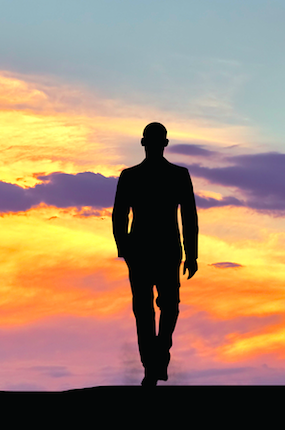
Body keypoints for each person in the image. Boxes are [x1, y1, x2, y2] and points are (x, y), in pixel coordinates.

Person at [113, 122, 198, 386]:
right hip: (144, 251)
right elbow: (119, 215)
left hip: (164, 251)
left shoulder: (178, 175)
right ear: (146, 144)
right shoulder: (130, 176)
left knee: (166, 307)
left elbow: (189, 216)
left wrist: (192, 254)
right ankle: (153, 364)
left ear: (162, 144)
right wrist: (124, 248)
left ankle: (157, 357)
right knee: (145, 310)